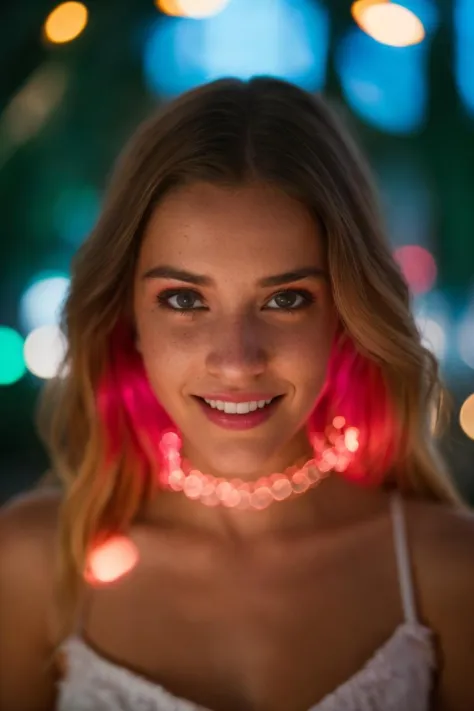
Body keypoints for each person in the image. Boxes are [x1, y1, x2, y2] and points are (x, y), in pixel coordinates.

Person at [0, 76, 473, 711]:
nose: (237, 360)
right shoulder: (32, 566)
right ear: (127, 320)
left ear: (345, 316)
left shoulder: (449, 573)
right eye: (185, 299)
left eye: (285, 299)